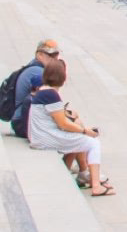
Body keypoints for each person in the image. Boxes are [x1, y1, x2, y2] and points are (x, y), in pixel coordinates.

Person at [28, 60, 113, 197]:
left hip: (41, 136)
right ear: (63, 78)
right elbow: (63, 124)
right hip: (46, 139)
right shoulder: (50, 94)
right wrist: (85, 131)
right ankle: (96, 185)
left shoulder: (44, 91)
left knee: (78, 140)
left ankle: (84, 175)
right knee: (93, 143)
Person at [8, 39, 62, 139]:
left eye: (56, 55)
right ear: (39, 55)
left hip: (21, 120)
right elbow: (50, 101)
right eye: (50, 55)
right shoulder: (39, 72)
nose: (55, 58)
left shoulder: (34, 66)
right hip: (23, 123)